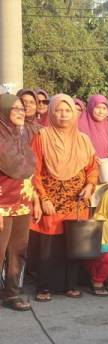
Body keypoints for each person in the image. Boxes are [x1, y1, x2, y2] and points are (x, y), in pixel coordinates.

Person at [30, 94, 98, 302]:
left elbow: (92, 167)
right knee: (48, 244)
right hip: (51, 199)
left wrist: (90, 185)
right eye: (59, 110)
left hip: (75, 201)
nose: (63, 114)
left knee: (73, 242)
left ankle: (71, 285)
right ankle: (44, 287)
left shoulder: (84, 140)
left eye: (67, 110)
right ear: (51, 112)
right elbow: (34, 170)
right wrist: (43, 198)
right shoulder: (41, 137)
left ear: (74, 113)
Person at [0, 94, 40, 311]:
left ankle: (12, 294)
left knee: (18, 250)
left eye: (21, 108)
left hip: (23, 201)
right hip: (1, 204)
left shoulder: (22, 136)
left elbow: (28, 171)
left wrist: (33, 195)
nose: (20, 112)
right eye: (14, 108)